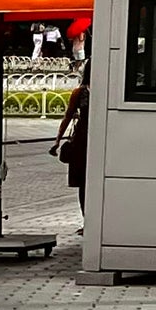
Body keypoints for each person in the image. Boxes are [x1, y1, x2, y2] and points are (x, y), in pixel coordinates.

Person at [51, 61, 90, 223]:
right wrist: (58, 140)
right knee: (84, 181)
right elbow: (68, 116)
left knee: (85, 182)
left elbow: (68, 117)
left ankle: (88, 221)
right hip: (84, 138)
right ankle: (87, 221)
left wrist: (58, 141)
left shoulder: (80, 92)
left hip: (84, 137)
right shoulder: (81, 92)